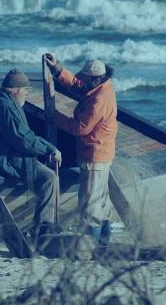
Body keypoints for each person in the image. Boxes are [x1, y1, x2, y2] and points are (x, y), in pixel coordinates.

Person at [0, 68, 62, 241]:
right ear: (15, 90)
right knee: (49, 178)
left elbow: (22, 138)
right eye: (25, 90)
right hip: (3, 160)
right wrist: (50, 149)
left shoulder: (2, 102)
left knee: (41, 170)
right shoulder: (5, 106)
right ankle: (42, 229)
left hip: (2, 155)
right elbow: (22, 139)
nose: (26, 93)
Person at [44, 54, 118, 246]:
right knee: (101, 200)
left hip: (94, 154)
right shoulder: (103, 86)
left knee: (90, 203)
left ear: (95, 79)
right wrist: (58, 69)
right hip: (104, 153)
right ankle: (103, 242)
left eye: (85, 78)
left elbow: (80, 128)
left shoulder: (98, 100)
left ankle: (90, 245)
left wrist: (55, 116)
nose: (82, 81)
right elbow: (78, 84)